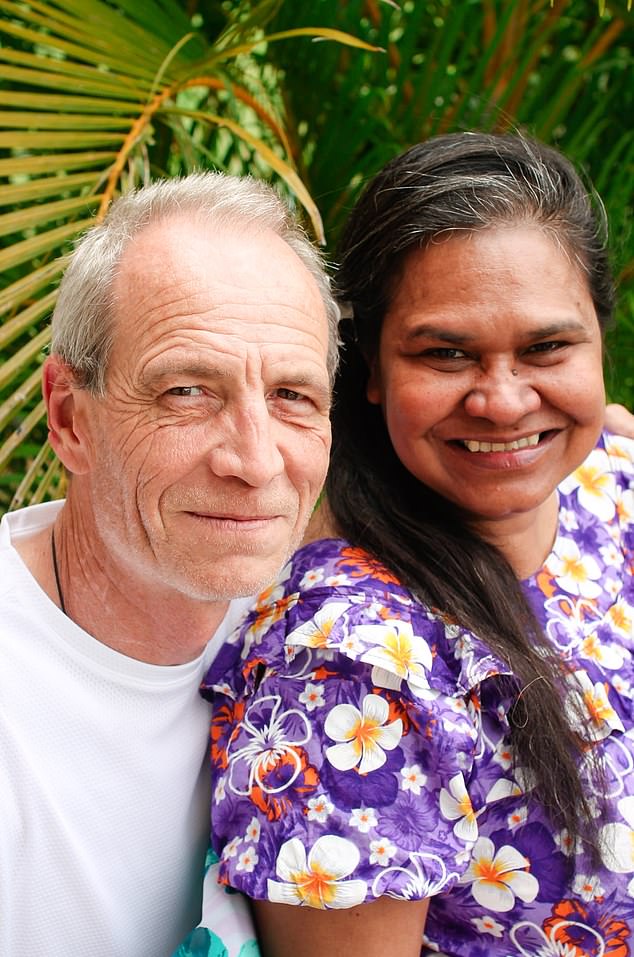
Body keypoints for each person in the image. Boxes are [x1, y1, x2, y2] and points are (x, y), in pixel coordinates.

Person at [197, 133, 634, 956]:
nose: (504, 402)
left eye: (547, 347)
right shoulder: (352, 660)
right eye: (445, 353)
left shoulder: (610, 479)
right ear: (369, 370)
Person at [0, 172, 340, 957]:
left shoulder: (325, 610)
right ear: (68, 417)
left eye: (293, 394)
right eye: (187, 391)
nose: (256, 462)